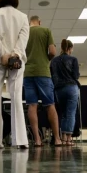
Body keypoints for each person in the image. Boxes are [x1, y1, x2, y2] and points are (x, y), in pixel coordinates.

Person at [0, 0, 29, 149]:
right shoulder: (23, 17)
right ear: (15, 0)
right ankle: (21, 141)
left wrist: (3, 54)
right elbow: (23, 40)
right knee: (16, 97)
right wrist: (14, 55)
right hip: (17, 61)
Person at [24, 16, 63, 147]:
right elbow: (52, 51)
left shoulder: (24, 32)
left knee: (32, 105)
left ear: (29, 23)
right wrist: (46, 59)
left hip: (28, 73)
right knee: (50, 104)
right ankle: (57, 139)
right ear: (39, 22)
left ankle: (37, 140)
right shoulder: (46, 30)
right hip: (43, 72)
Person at [50, 39, 80, 146]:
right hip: (71, 87)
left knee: (62, 114)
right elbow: (76, 75)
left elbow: (52, 76)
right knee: (71, 113)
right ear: (69, 48)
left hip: (59, 89)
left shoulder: (54, 61)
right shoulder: (73, 59)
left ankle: (62, 137)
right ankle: (69, 139)